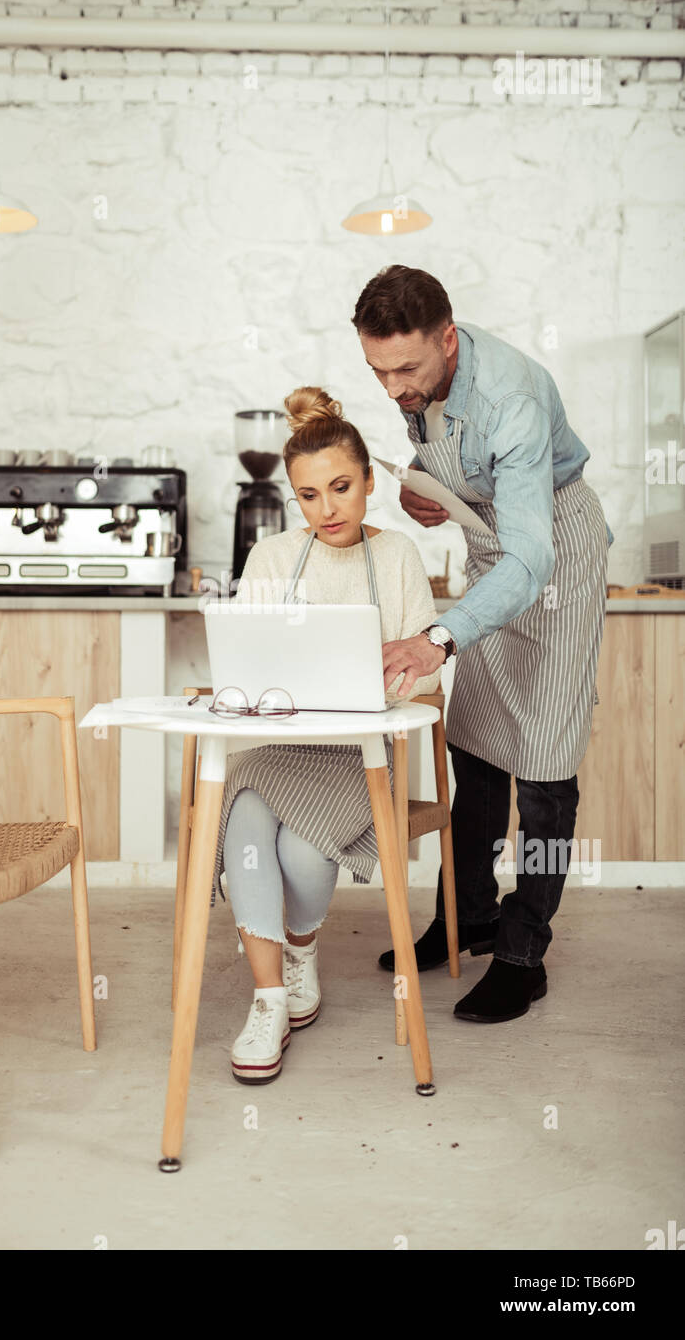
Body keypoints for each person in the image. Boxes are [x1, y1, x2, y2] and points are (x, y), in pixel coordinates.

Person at [352, 264, 612, 1024]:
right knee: (477, 748)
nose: (396, 385)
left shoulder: (513, 400)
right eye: (379, 371)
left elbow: (533, 558)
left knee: (543, 766)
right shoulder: (418, 383)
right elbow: (446, 451)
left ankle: (523, 955)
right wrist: (427, 489)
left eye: (408, 368)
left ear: (449, 338)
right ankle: (465, 920)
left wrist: (440, 635)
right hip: (493, 544)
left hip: (553, 550)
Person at [211, 385, 441, 1084]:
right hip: (278, 747)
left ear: (369, 481)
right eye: (309, 496)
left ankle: (300, 948)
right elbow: (246, 665)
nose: (327, 509)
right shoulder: (272, 559)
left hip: (362, 756)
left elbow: (426, 681)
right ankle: (271, 997)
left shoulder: (398, 556)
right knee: (246, 822)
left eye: (341, 488)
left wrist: (384, 681)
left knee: (302, 850)